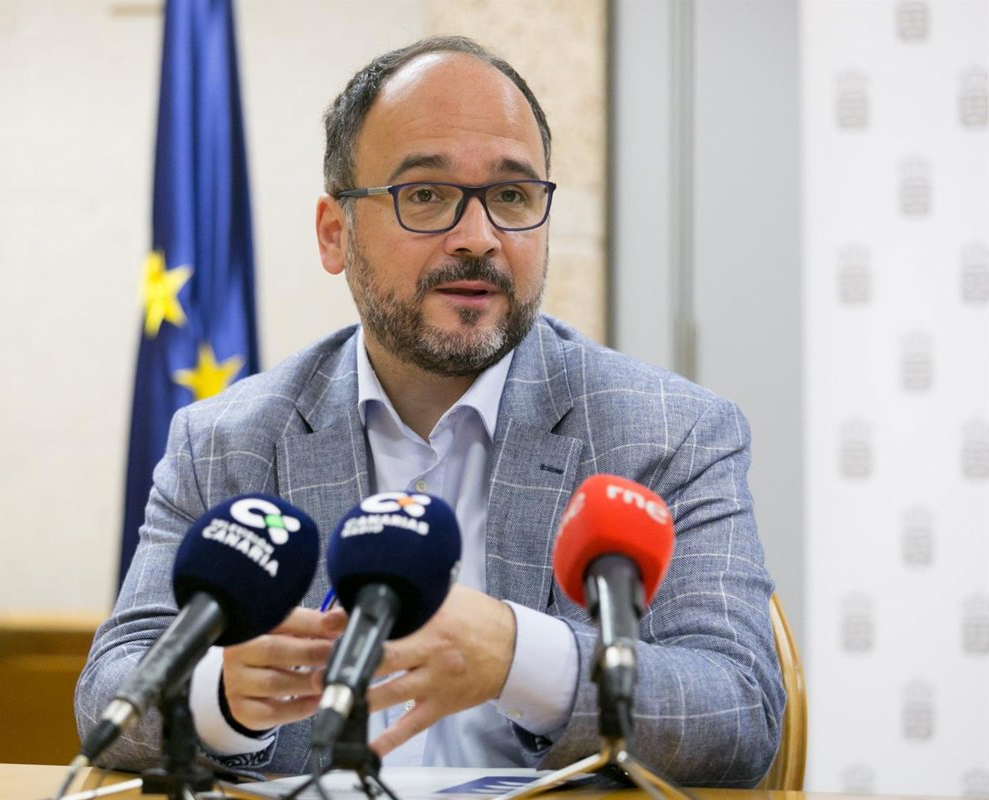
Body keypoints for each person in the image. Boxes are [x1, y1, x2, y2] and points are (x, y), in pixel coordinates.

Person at [76, 36, 785, 787]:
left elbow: (739, 714)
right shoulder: (225, 441)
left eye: (512, 196)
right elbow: (109, 698)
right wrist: (222, 698)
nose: (477, 238)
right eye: (425, 195)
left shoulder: (669, 432)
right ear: (335, 233)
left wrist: (521, 656)